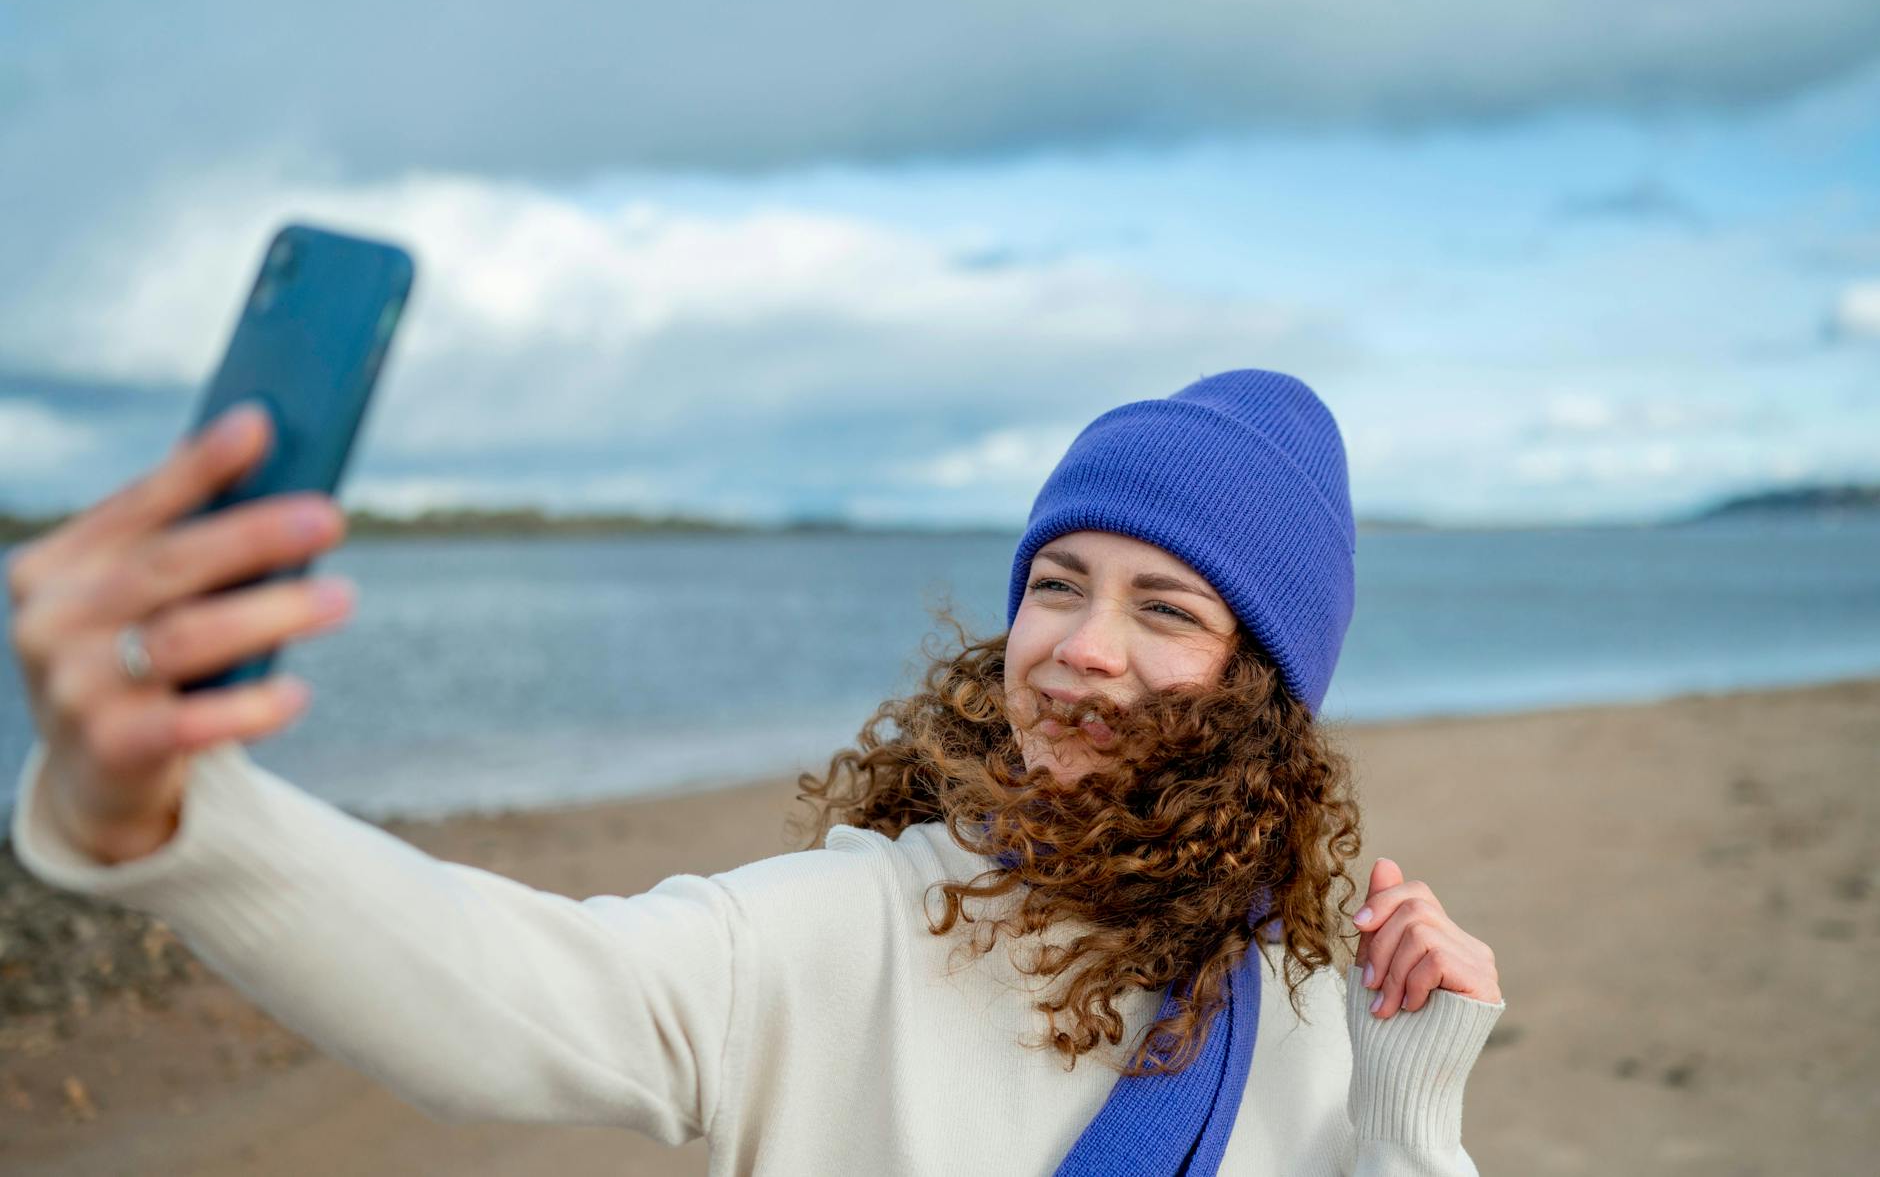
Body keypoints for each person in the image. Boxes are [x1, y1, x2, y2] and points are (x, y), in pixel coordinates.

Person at [7, 368, 1504, 1175]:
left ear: (1267, 691)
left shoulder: (1307, 994)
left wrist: (1407, 1110)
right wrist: (176, 816)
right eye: (1058, 581)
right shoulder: (862, 925)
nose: (1080, 646)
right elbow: (526, 994)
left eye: (1163, 607)